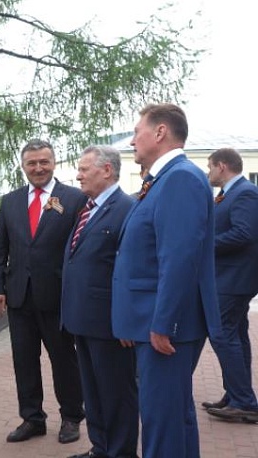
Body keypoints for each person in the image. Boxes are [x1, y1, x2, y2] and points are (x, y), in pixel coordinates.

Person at [112, 103, 220, 458]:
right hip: (154, 320)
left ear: (160, 132)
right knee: (175, 418)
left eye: (137, 132)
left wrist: (164, 324)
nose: (132, 141)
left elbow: (178, 259)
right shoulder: (164, 179)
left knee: (162, 422)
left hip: (164, 326)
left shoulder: (180, 178)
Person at [0, 139, 86, 444]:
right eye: (32, 163)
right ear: (23, 166)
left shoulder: (74, 198)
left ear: (54, 163)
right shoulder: (10, 201)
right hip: (19, 297)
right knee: (24, 362)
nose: (38, 168)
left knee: (64, 361)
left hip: (57, 297)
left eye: (44, 162)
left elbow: (81, 249)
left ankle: (71, 417)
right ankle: (32, 419)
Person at [61, 146, 138, 458]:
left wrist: (127, 320)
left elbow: (130, 271)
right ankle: (101, 448)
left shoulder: (126, 208)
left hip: (110, 323)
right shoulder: (88, 208)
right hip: (83, 318)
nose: (78, 176)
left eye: (84, 169)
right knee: (93, 393)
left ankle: (120, 452)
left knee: (116, 393)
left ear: (107, 170)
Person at [201, 147, 258, 422]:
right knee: (236, 335)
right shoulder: (228, 193)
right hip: (229, 277)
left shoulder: (245, 192)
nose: (208, 172)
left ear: (222, 166)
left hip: (235, 278)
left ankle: (244, 401)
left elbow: (244, 233)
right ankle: (237, 394)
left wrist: (203, 245)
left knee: (222, 334)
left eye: (210, 166)